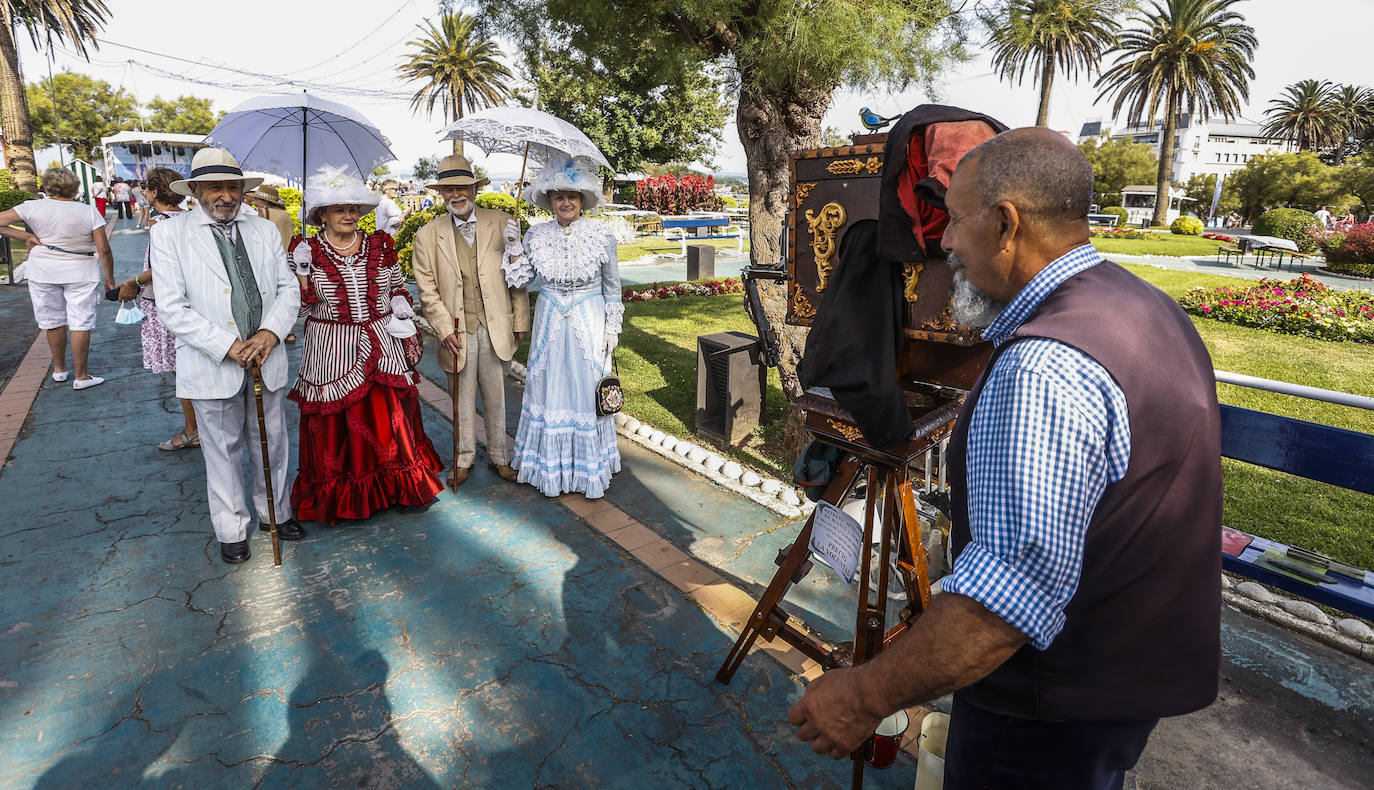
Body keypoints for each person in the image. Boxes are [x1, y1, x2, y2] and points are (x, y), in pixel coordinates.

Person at [788, 128, 1222, 790]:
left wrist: (863, 696)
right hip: (1128, 680)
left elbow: (1003, 603)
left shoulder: (1044, 365)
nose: (944, 243)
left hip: (1048, 708)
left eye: (956, 221)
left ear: (1005, 223)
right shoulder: (1147, 305)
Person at [148, 148, 305, 564]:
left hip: (266, 356)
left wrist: (271, 332)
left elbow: (289, 289)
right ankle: (232, 529)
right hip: (211, 361)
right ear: (196, 190)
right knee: (221, 448)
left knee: (272, 442)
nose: (225, 195)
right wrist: (226, 345)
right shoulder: (169, 234)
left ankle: (276, 513)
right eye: (215, 187)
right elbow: (171, 307)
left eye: (232, 187)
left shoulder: (264, 230)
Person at [286, 166, 443, 524]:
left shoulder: (379, 245)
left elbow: (396, 286)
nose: (347, 215)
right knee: (337, 426)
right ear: (321, 214)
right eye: (338, 209)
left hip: (380, 340)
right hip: (330, 347)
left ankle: (399, 488)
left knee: (390, 420)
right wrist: (301, 277)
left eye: (353, 208)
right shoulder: (305, 251)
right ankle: (344, 498)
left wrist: (402, 301)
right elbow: (300, 307)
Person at [504, 157, 622, 498]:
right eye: (558, 197)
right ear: (549, 201)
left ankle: (589, 468)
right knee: (550, 384)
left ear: (583, 199)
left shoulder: (601, 235)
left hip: (589, 317)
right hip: (550, 318)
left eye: (572, 195)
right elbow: (522, 280)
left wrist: (612, 328)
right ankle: (548, 466)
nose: (566, 202)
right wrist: (514, 248)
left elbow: (612, 288)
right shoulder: (536, 235)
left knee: (586, 388)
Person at [412, 153, 531, 486]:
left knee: (496, 396)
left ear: (475, 189)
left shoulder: (502, 222)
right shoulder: (427, 235)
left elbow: (516, 277)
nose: (456, 195)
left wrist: (520, 319)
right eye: (449, 189)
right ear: (441, 194)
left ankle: (499, 457)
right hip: (457, 331)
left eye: (462, 187)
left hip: (496, 325)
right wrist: (444, 328)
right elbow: (427, 290)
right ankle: (463, 459)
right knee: (462, 399)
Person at [0, 167, 115, 389]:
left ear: (47, 186)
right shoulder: (88, 211)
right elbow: (104, 250)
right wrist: (110, 279)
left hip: (42, 271)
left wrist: (26, 236)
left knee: (53, 321)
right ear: (75, 186)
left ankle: (60, 370)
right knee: (80, 322)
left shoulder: (32, 207)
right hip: (81, 271)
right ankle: (81, 376)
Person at [113, 167, 200, 450]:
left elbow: (162, 266)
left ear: (152, 192)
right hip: (192, 299)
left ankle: (193, 430)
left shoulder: (160, 223)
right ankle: (199, 426)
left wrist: (134, 281)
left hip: (167, 303)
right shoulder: (190, 219)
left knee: (181, 372)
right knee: (190, 367)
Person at [245, 184, 299, 343]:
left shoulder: (263, 214)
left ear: (265, 202)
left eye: (258, 200)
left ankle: (275, 330)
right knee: (286, 293)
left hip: (270, 258)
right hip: (288, 257)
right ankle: (289, 331)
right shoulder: (285, 214)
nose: (255, 202)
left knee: (270, 295)